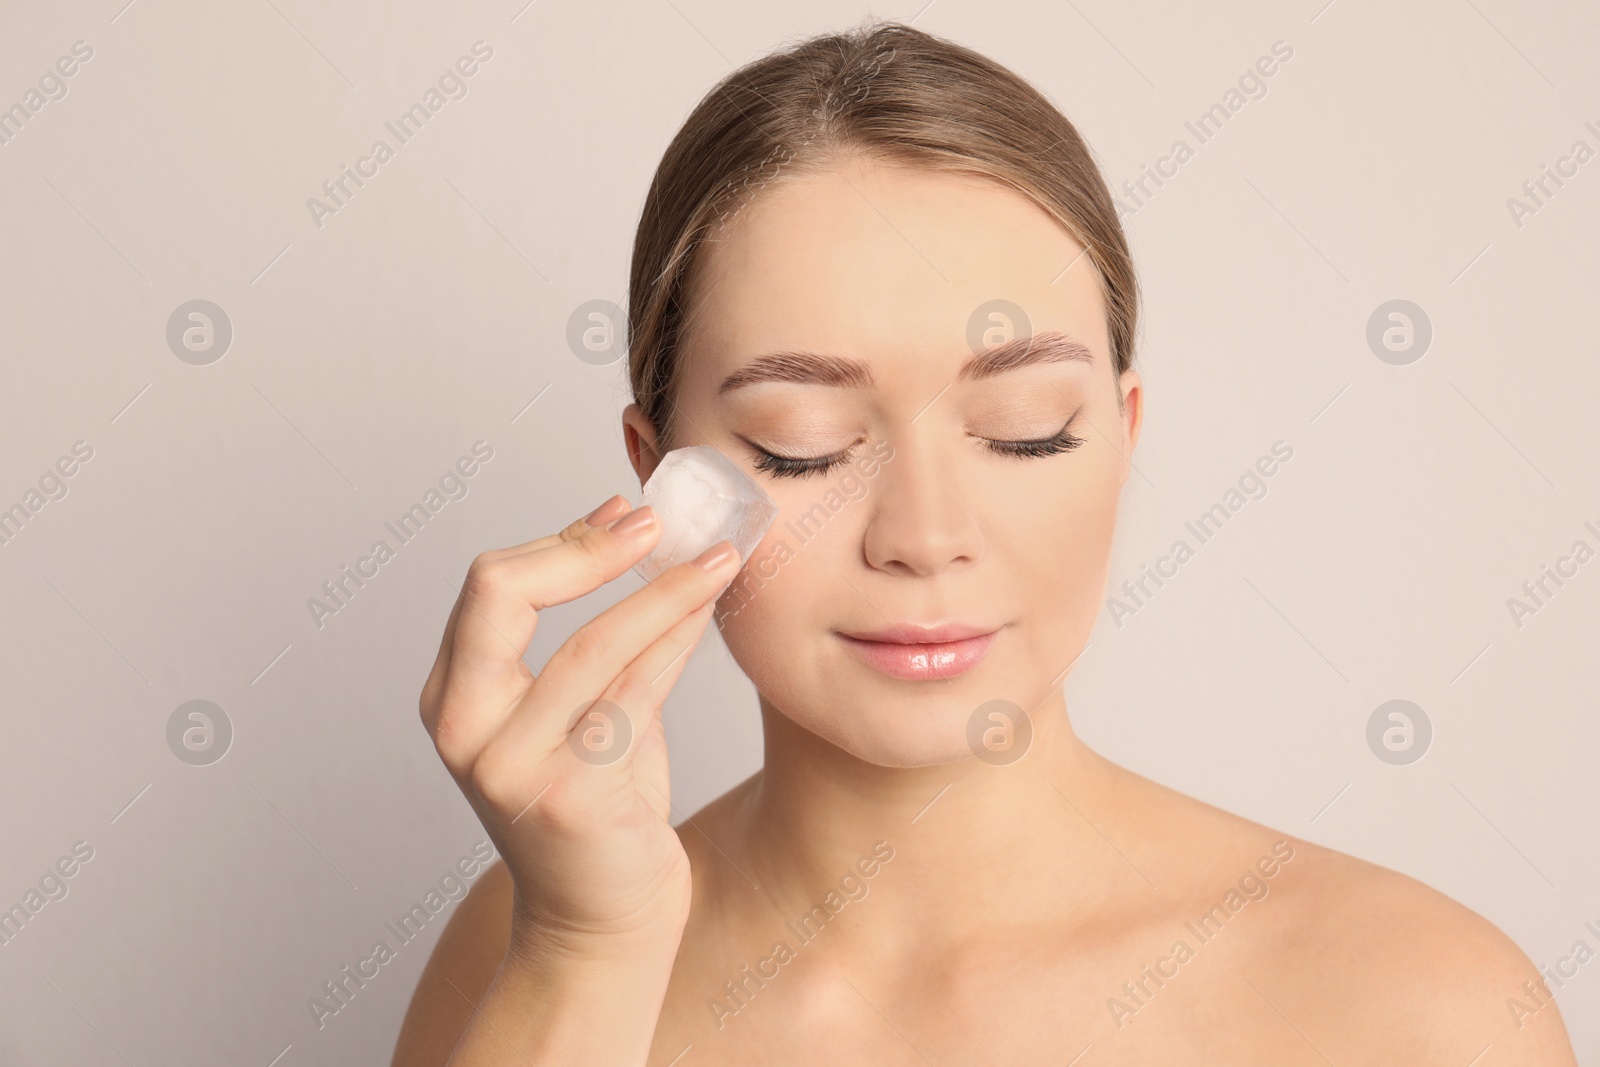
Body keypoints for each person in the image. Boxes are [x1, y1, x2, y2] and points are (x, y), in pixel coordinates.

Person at [393, 19, 1579, 1065]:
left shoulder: (1413, 1005)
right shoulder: (527, 952)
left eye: (1025, 432)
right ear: (658, 471)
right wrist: (586, 953)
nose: (924, 536)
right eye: (801, 446)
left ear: (1118, 435)